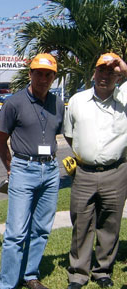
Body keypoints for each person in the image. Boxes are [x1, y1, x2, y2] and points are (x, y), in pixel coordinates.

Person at [0, 53, 64, 289]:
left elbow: (57, 133)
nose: (43, 79)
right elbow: (0, 140)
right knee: (16, 233)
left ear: (54, 77)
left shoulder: (57, 104)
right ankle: (7, 284)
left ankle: (30, 276)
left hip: (51, 169)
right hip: (23, 168)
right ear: (30, 74)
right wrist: (9, 168)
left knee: (42, 229)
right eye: (39, 73)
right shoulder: (13, 103)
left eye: (48, 74)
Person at [64, 53, 127, 289]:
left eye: (112, 72)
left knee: (110, 223)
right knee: (81, 222)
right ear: (93, 73)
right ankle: (78, 274)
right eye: (102, 70)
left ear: (118, 75)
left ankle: (102, 271)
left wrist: (123, 65)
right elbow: (70, 135)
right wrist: (87, 156)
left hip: (116, 171)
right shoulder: (77, 101)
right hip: (84, 172)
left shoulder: (125, 99)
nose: (105, 76)